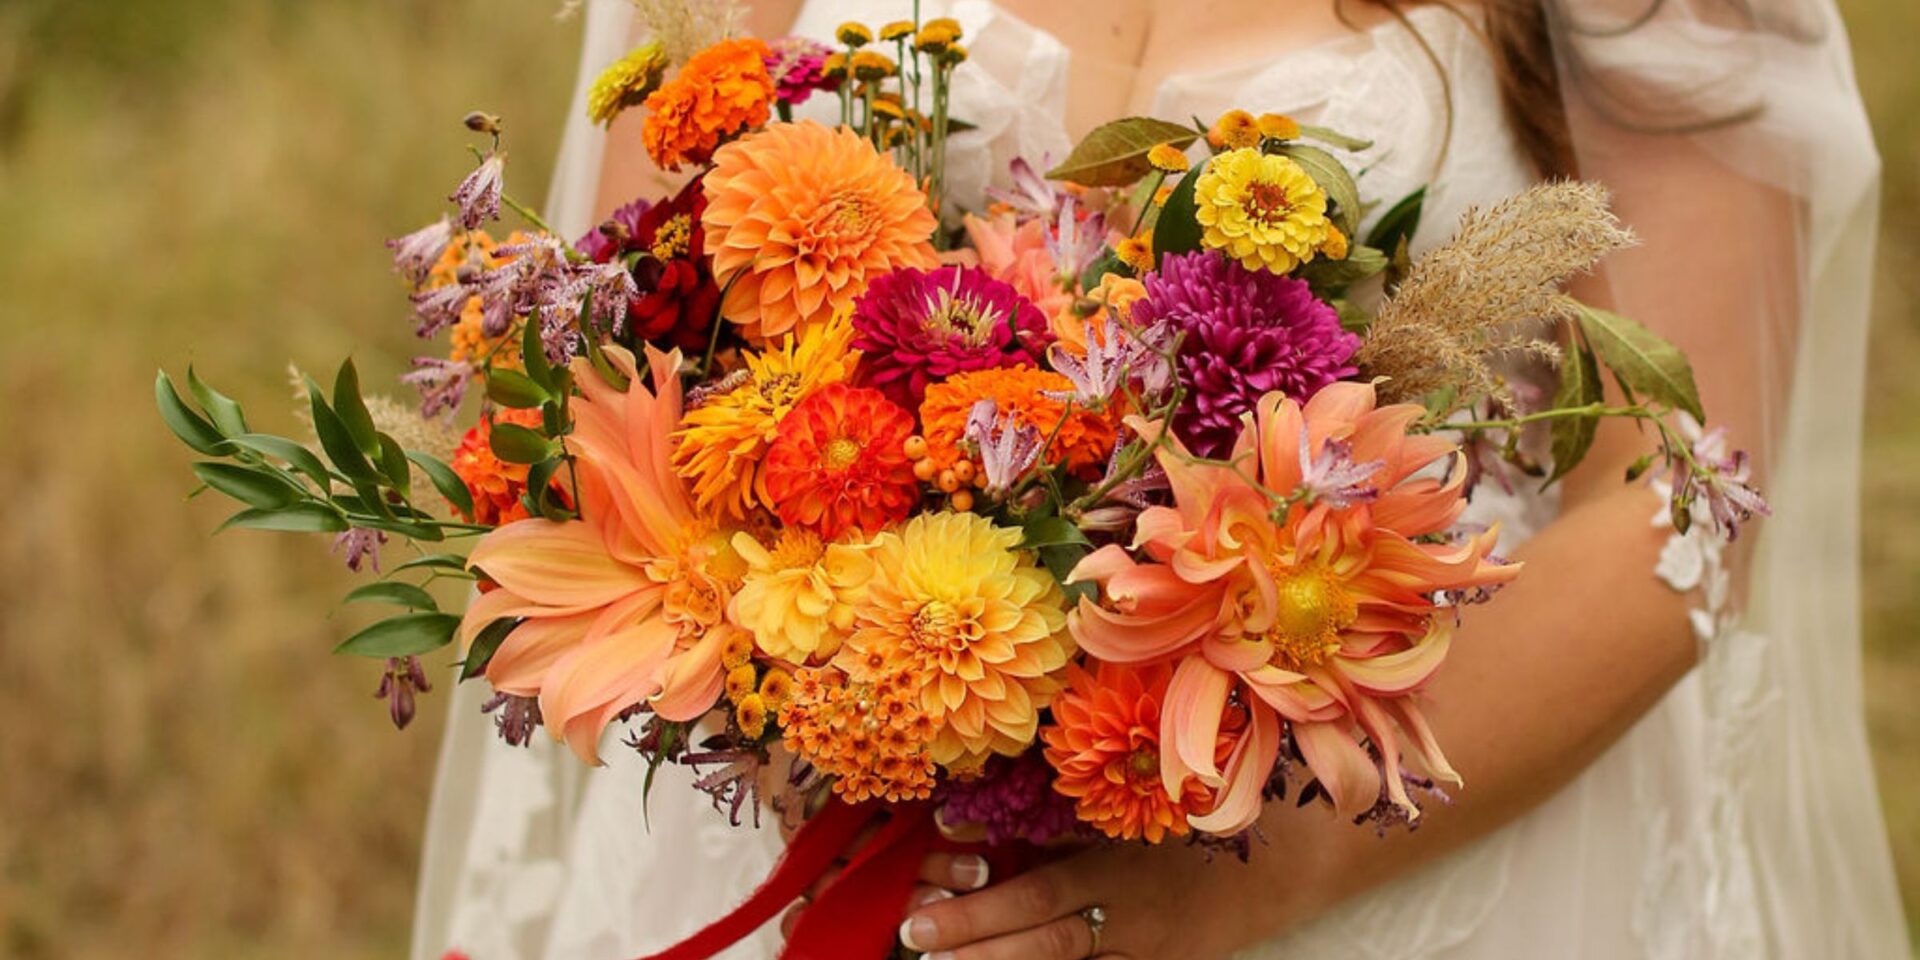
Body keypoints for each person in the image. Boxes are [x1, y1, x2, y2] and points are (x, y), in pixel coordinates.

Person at [412, 1, 1908, 957]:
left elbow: (1678, 513)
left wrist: (1264, 883)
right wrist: (813, 680)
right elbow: (625, 363)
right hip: (827, 810)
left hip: (1391, 835)